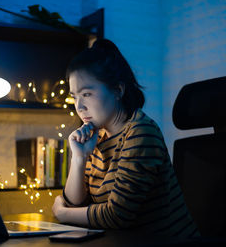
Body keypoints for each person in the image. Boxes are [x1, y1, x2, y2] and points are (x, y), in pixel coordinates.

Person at [52, 39, 199, 238]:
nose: (79, 107)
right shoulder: (96, 135)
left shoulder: (141, 132)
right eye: (74, 97)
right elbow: (75, 202)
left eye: (86, 94)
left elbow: (118, 215)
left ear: (117, 90)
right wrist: (79, 159)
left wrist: (63, 213)